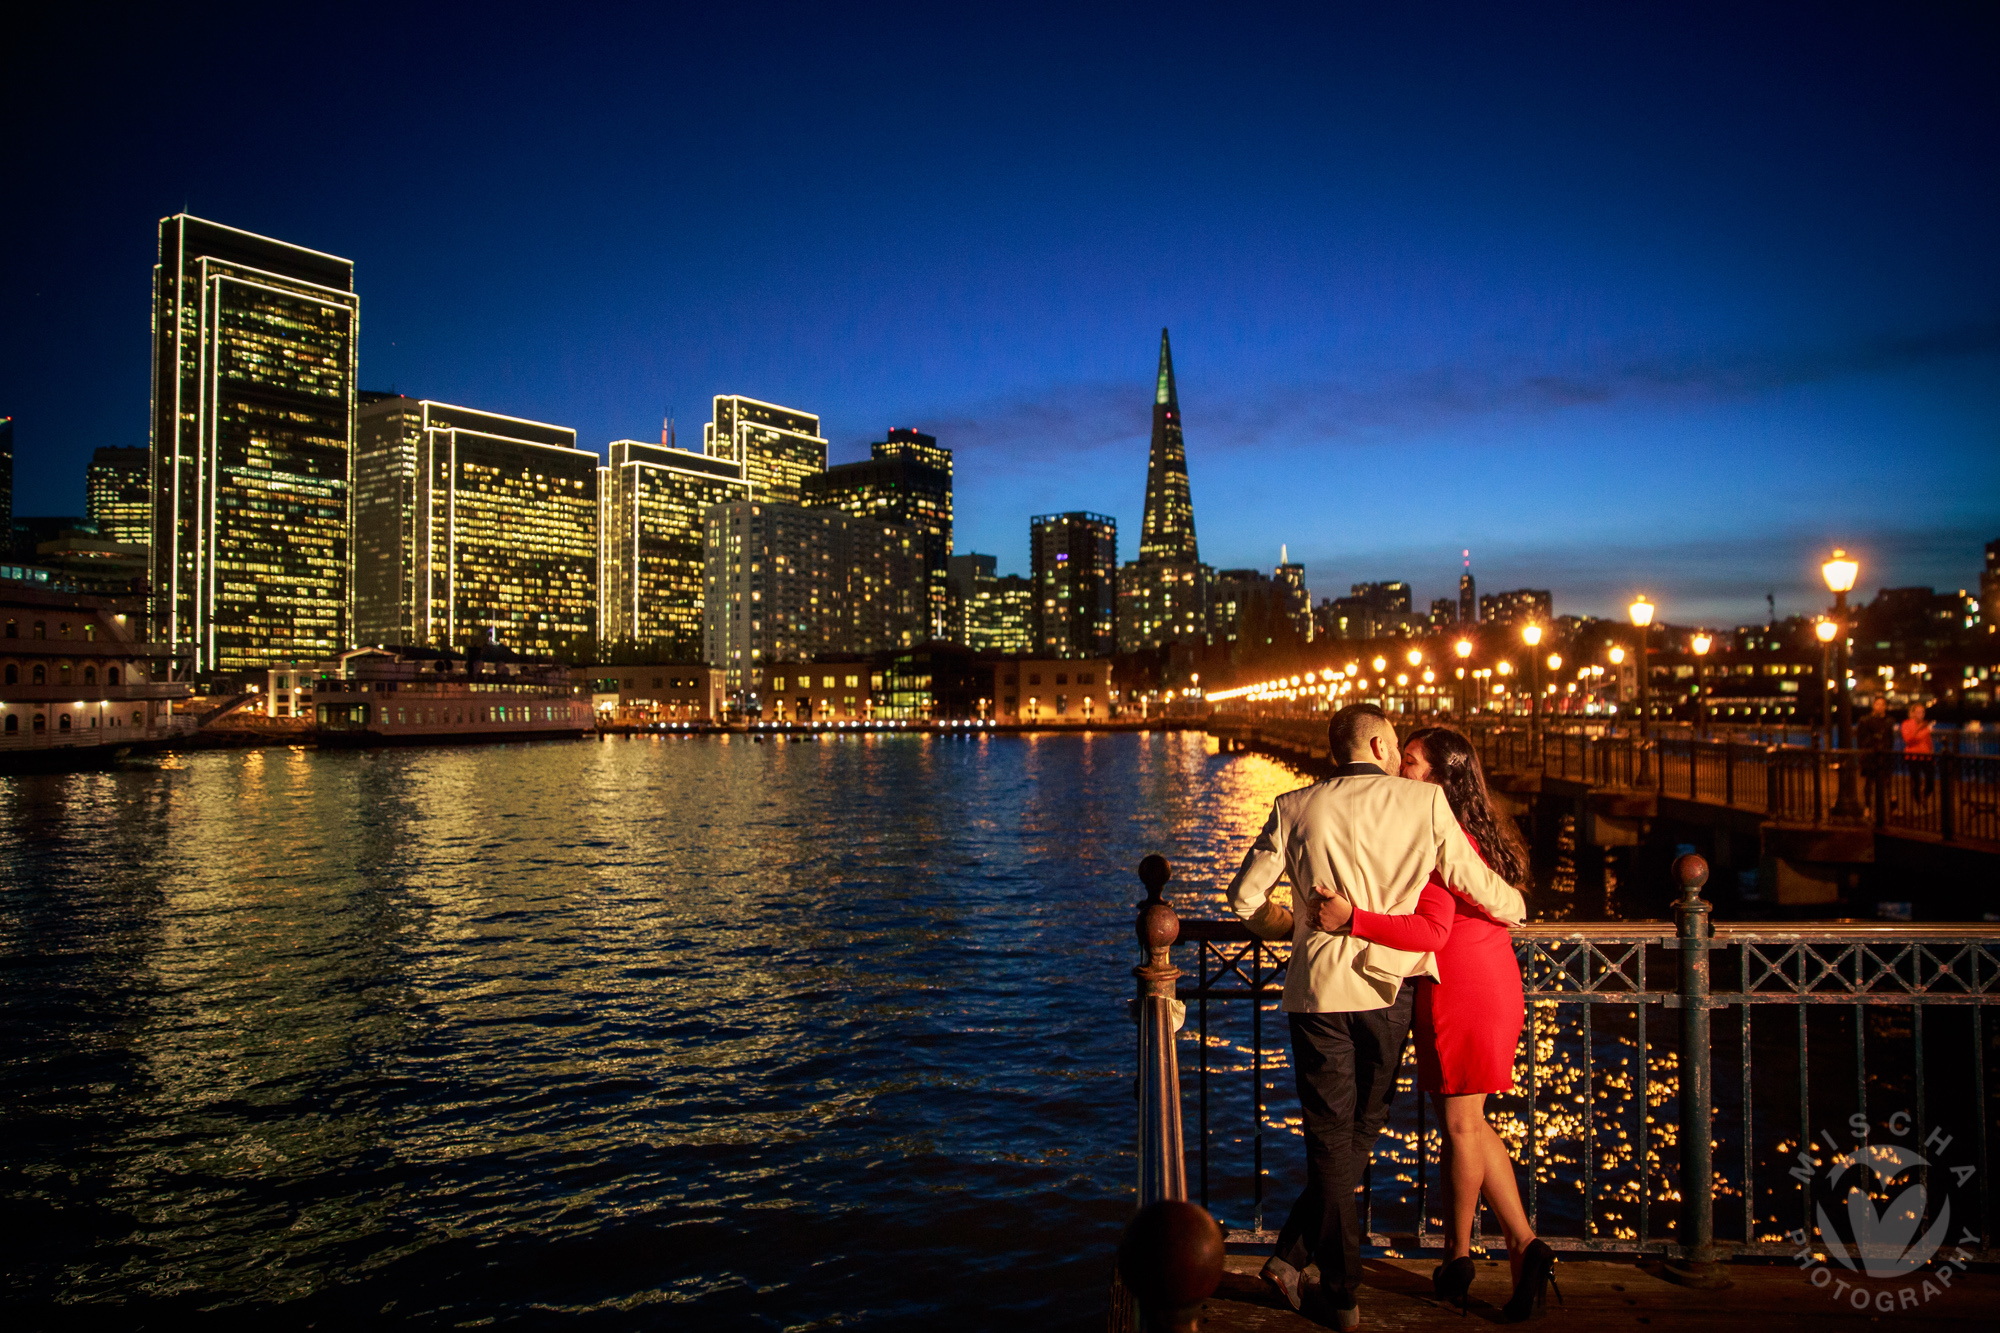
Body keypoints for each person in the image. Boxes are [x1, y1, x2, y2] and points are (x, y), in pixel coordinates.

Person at [1228, 704, 1527, 1330]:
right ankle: (1311, 1271)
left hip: (1319, 994)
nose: (1398, 757)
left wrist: (1292, 925)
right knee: (1364, 1127)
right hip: (1390, 987)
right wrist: (1517, 906)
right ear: (1375, 742)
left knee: (1331, 1135)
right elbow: (1475, 882)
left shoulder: (1295, 805)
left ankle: (1331, 1286)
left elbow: (1244, 896)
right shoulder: (1421, 806)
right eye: (1394, 746)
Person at [1314, 725, 1558, 1319]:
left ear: (1443, 776)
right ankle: (1495, 1251)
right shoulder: (1477, 828)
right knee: (1469, 1123)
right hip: (1489, 975)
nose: (1404, 769)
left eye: (1416, 762)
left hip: (1460, 986)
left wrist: (1354, 919)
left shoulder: (1436, 829)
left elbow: (1435, 927)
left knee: (1460, 1125)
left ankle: (1481, 1250)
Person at [1856, 696, 1897, 813]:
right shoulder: (1866, 720)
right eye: (1878, 704)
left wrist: (1888, 751)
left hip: (1884, 755)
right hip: (1871, 755)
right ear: (1873, 705)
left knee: (1888, 782)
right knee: (1869, 782)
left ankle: (1892, 806)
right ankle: (1868, 806)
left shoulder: (1888, 721)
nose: (1880, 707)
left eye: (1882, 704)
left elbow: (1890, 739)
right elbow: (1861, 739)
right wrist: (1863, 753)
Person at [1901, 702, 1935, 805]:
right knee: (1917, 781)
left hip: (1926, 756)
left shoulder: (1925, 725)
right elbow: (1908, 740)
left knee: (1930, 779)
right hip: (1913, 756)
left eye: (1923, 712)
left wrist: (1931, 752)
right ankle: (1918, 802)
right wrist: (1920, 729)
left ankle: (1924, 797)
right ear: (1913, 713)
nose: (1921, 714)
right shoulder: (1906, 724)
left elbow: (1928, 741)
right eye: (1919, 712)